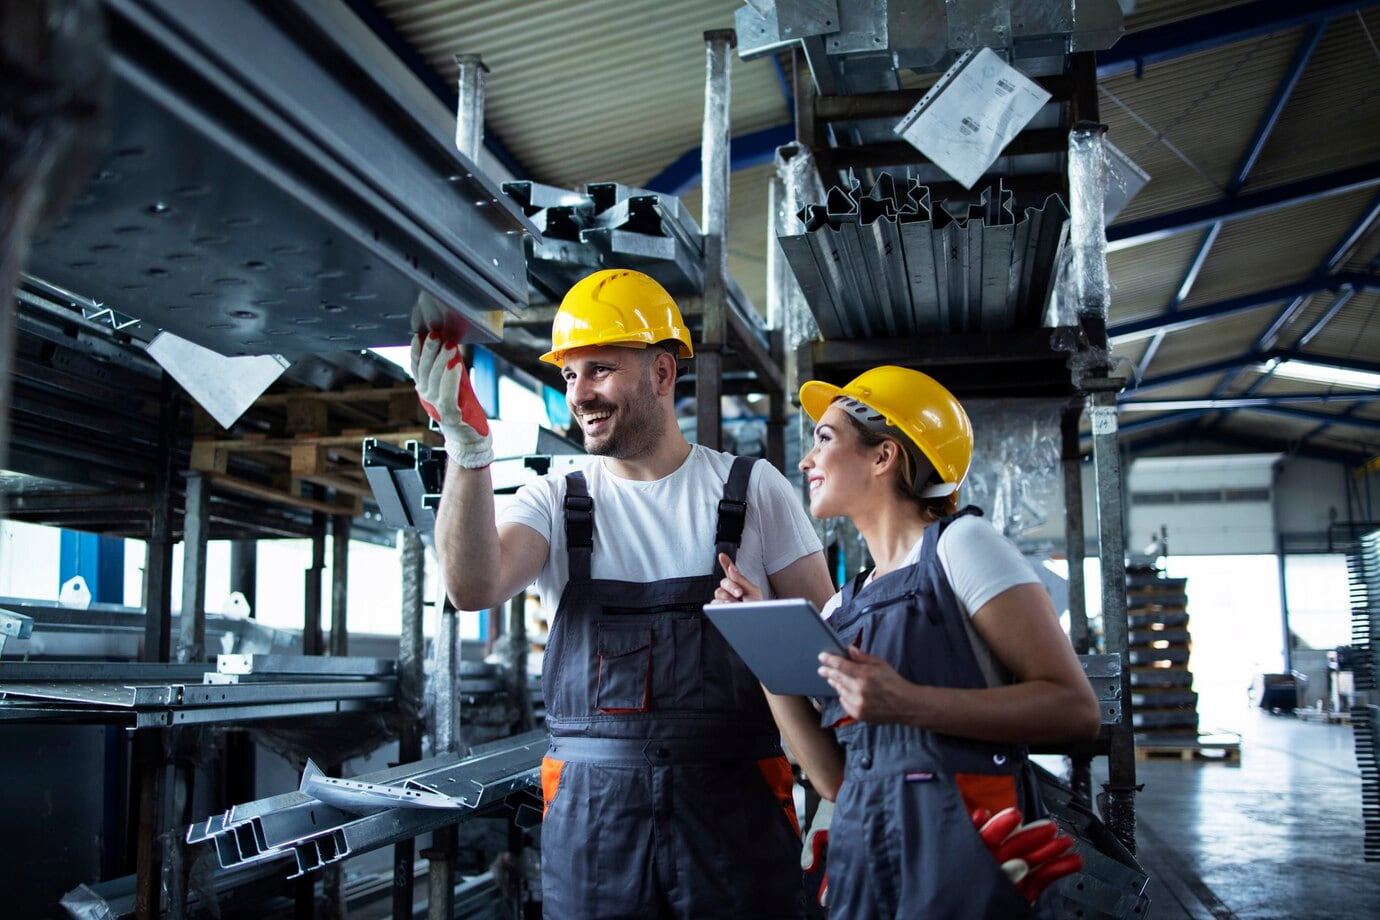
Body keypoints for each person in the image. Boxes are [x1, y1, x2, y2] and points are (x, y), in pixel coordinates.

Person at [410, 267, 837, 920]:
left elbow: (825, 666)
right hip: (594, 827)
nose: (580, 394)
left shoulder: (755, 492)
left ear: (662, 375)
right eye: (570, 375)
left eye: (600, 369)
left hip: (736, 820)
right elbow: (471, 588)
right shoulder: (555, 500)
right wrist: (467, 451)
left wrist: (841, 795)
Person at [713, 365, 1103, 919]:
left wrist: (909, 703)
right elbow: (832, 779)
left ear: (883, 456)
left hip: (966, 858)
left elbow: (1075, 708)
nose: (806, 462)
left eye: (824, 439)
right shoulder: (841, 606)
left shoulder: (963, 548)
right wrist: (761, 647)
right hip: (866, 861)